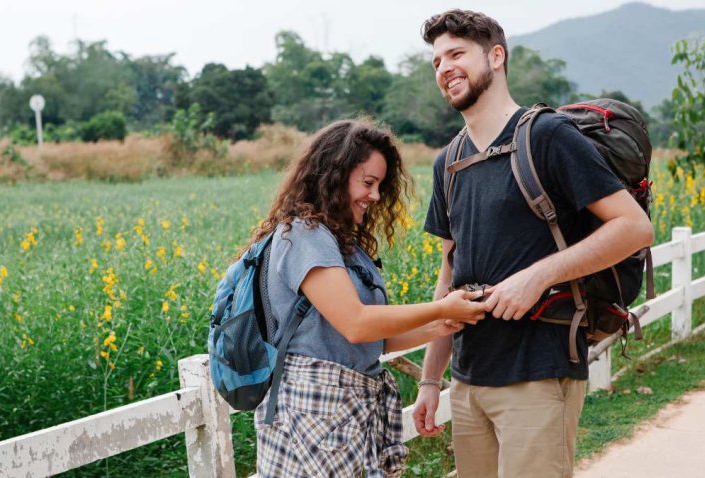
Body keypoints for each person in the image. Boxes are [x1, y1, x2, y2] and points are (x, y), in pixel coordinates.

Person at [411, 10, 654, 478]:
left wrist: (537, 276)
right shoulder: (448, 162)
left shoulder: (545, 136)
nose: (444, 68)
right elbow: (449, 276)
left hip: (539, 371)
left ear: (496, 56)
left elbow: (633, 227)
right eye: (437, 60)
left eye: (457, 54)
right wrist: (430, 379)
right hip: (467, 379)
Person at [248, 118, 488, 478]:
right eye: (368, 182)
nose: (375, 196)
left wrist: (442, 324)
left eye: (379, 185)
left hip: (345, 411)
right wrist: (440, 307)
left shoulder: (342, 243)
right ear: (333, 174)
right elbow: (356, 325)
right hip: (313, 411)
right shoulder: (304, 235)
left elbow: (376, 339)